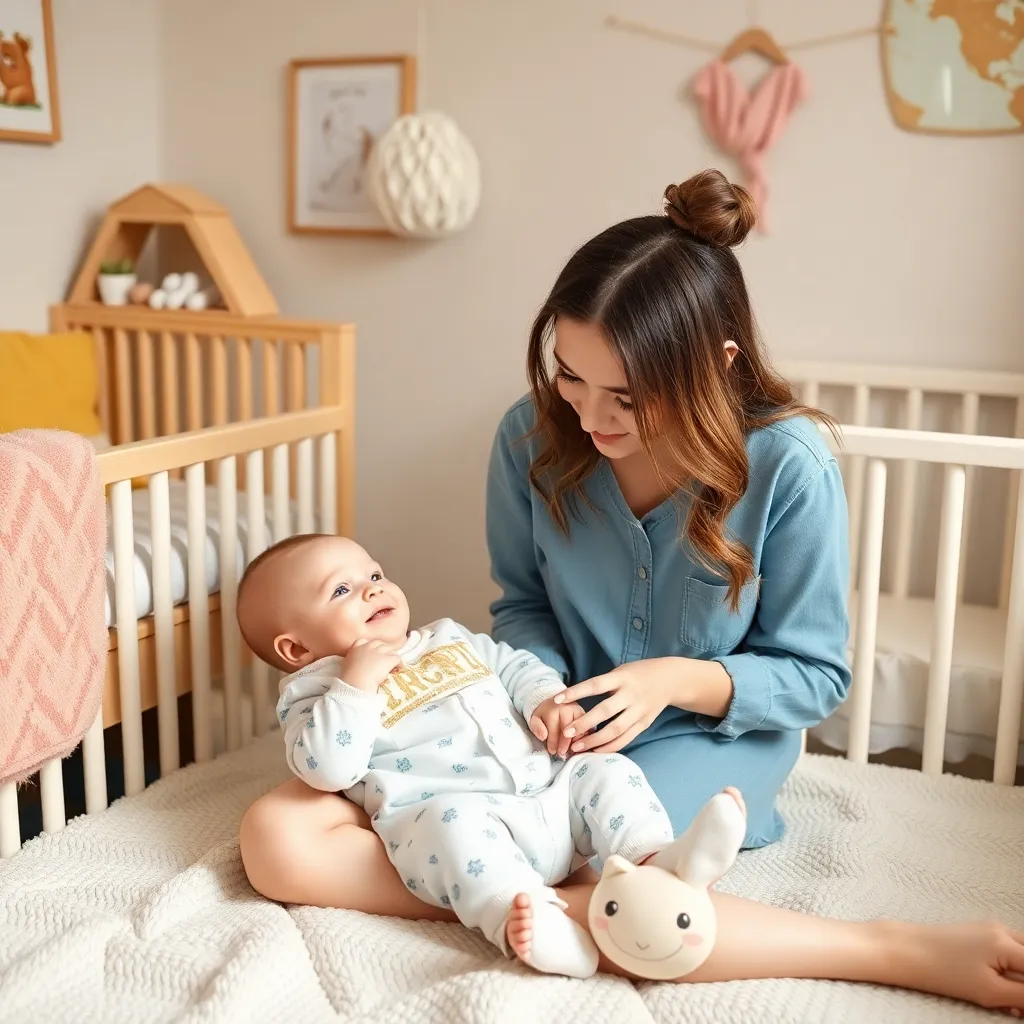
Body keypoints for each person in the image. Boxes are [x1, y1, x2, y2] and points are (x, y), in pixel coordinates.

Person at [238, 169, 1024, 1013]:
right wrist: (542, 697)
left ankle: (890, 949)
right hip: (548, 728)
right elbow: (524, 608)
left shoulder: (790, 465)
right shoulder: (529, 437)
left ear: (716, 364)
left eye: (626, 396)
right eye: (571, 377)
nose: (589, 417)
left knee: (609, 864)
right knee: (273, 836)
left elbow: (814, 676)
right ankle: (520, 890)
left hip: (708, 736)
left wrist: (670, 681)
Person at [236, 531, 747, 978]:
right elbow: (327, 770)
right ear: (296, 650)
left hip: (550, 793)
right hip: (468, 822)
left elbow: (516, 667)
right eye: (341, 590)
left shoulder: (446, 637)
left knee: (606, 771)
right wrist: (355, 684)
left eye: (374, 574)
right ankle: (525, 918)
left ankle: (655, 858)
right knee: (449, 826)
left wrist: (546, 701)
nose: (373, 589)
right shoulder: (315, 695)